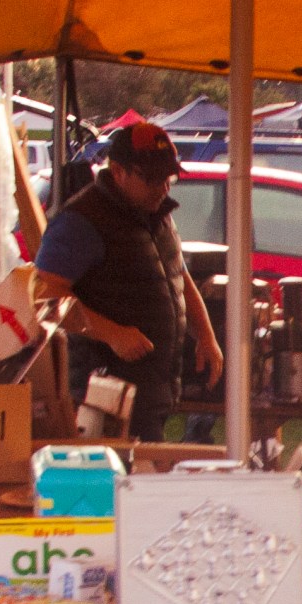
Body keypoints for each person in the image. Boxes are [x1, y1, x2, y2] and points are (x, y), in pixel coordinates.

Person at [30, 119, 221, 441]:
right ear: (118, 171)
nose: (163, 188)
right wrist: (111, 333)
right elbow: (44, 297)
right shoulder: (81, 221)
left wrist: (205, 334)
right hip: (103, 396)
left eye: (168, 178)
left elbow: (179, 275)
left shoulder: (157, 214)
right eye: (151, 179)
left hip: (151, 390)